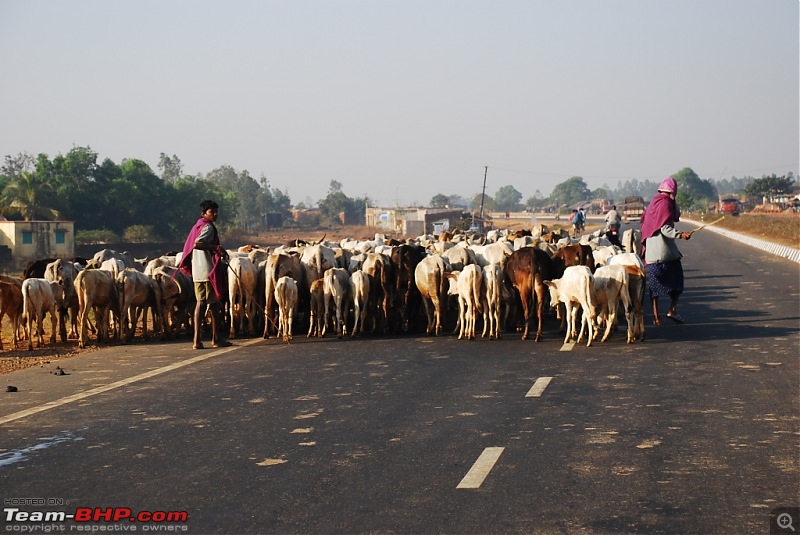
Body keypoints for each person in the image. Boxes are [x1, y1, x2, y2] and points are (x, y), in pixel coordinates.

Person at [178, 200, 232, 349]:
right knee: (213, 303)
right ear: (203, 214)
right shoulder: (207, 227)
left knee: (202, 304)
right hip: (208, 271)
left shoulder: (197, 226)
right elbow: (198, 244)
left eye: (216, 211)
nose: (215, 214)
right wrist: (216, 248)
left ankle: (198, 340)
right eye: (211, 212)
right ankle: (215, 339)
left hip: (197, 272)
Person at [640, 178, 692, 326]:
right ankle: (672, 309)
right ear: (673, 191)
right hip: (666, 255)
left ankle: (656, 317)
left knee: (654, 288)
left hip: (651, 255)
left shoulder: (652, 205)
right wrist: (681, 235)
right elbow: (665, 228)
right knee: (677, 282)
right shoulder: (666, 204)